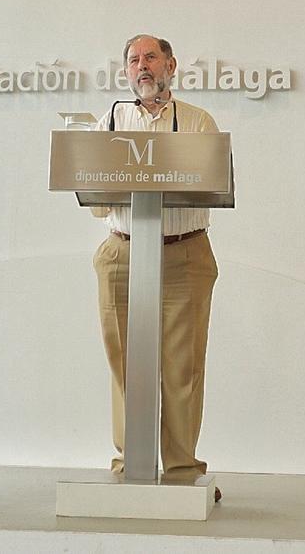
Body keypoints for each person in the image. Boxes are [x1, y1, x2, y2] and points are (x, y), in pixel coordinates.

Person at [91, 34, 221, 499]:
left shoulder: (199, 121)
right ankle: (131, 466)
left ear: (171, 65)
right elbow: (91, 192)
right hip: (121, 253)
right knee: (124, 362)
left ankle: (184, 471)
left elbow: (211, 184)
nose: (142, 66)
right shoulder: (109, 119)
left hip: (185, 253)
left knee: (181, 367)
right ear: (125, 71)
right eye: (133, 60)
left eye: (150, 57)